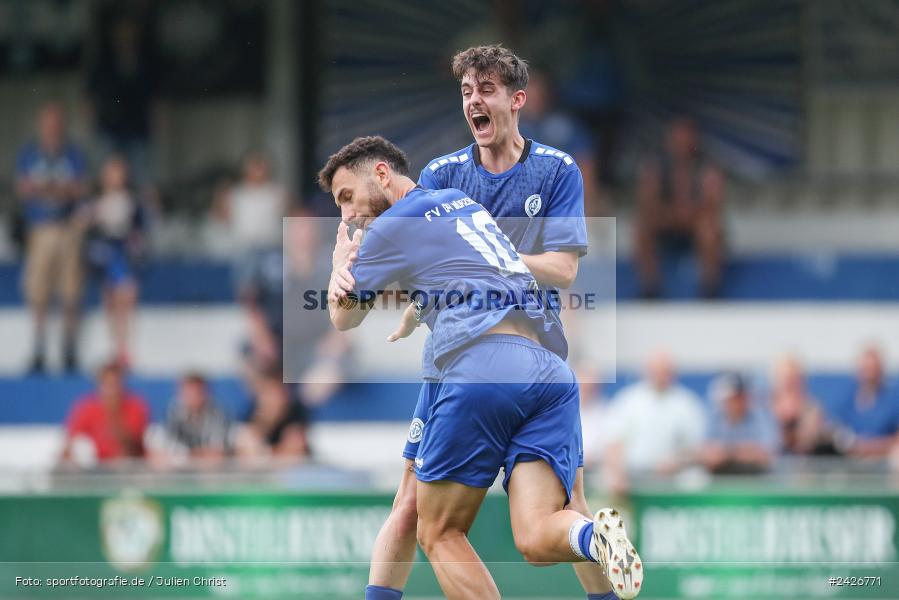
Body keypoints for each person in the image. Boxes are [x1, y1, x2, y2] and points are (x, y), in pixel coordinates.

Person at [329, 45, 622, 600]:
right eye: (466, 92)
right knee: (426, 505)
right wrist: (423, 301)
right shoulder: (444, 173)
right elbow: (428, 261)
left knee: (437, 523)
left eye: (485, 90)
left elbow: (562, 268)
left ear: (517, 100)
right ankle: (594, 544)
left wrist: (489, 263)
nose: (473, 101)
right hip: (495, 355)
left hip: (499, 348)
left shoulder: (556, 170)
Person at [16, 102, 89, 373]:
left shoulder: (73, 153)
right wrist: (59, 190)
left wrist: (45, 189)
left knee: (70, 291)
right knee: (39, 292)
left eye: (56, 121)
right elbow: (24, 188)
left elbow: (80, 188)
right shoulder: (30, 152)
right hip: (41, 228)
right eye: (48, 121)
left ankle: (68, 348)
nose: (52, 127)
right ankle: (39, 347)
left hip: (67, 228)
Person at [634, 116, 725, 299]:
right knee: (642, 227)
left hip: (696, 221)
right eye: (677, 137)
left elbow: (713, 203)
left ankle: (710, 287)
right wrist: (671, 214)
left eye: (686, 137)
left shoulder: (707, 166)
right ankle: (650, 286)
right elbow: (647, 200)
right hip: (667, 220)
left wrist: (689, 214)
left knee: (709, 228)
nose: (681, 143)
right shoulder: (657, 165)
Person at [601, 351, 706, 494]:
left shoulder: (687, 403)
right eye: (656, 371)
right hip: (633, 478)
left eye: (665, 371)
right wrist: (617, 475)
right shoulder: (628, 400)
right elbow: (613, 441)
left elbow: (696, 447)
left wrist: (677, 462)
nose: (660, 375)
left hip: (674, 479)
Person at [84, 155, 145, 368]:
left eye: (119, 173)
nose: (115, 177)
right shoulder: (96, 201)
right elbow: (87, 226)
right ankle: (115, 347)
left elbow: (139, 229)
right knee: (110, 301)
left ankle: (124, 348)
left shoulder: (132, 200)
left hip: (123, 253)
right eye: (111, 173)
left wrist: (136, 249)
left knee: (126, 299)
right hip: (105, 253)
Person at [214, 151, 288, 293]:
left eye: (261, 167)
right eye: (254, 167)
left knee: (275, 284)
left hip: (271, 248)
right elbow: (223, 221)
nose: (258, 171)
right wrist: (220, 200)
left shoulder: (277, 193)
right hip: (244, 249)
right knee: (245, 285)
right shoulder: (236, 194)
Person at [60, 362, 149, 466]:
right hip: (94, 470)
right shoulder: (86, 408)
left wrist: (114, 414)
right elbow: (70, 443)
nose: (111, 390)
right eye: (107, 384)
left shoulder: (135, 407)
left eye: (115, 384)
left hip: (126, 468)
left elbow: (132, 449)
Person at [699, 373, 778, 474]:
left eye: (736, 398)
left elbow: (766, 454)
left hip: (755, 479)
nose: (732, 403)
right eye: (729, 399)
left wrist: (728, 453)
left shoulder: (760, 416)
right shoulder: (715, 417)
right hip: (720, 479)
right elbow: (706, 454)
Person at [831, 346, 899, 458]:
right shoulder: (847, 400)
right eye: (866, 369)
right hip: (850, 460)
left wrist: (869, 447)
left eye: (873, 369)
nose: (869, 375)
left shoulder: (892, 400)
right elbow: (836, 430)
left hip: (883, 461)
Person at [236, 367, 310, 462]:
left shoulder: (296, 415)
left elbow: (292, 454)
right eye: (268, 393)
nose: (272, 400)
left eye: (276, 393)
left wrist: (264, 454)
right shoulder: (249, 415)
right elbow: (246, 454)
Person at [769, 355, 836, 455]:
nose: (789, 382)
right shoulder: (765, 406)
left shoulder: (812, 407)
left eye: (793, 377)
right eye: (786, 377)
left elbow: (808, 441)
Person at [161, 372, 233, 462]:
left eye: (197, 392)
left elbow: (216, 453)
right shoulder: (172, 412)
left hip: (210, 469)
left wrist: (187, 455)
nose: (193, 396)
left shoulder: (218, 413)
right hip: (179, 467)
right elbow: (168, 450)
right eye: (189, 392)